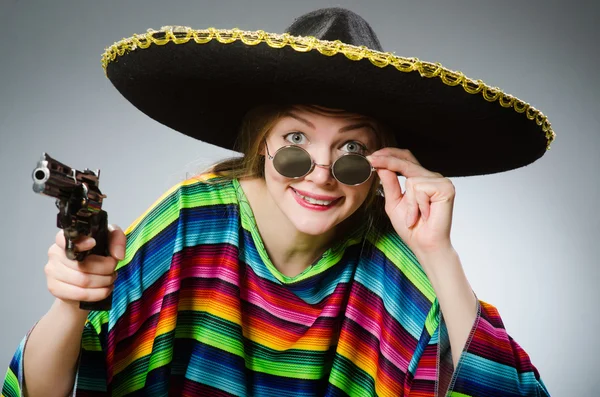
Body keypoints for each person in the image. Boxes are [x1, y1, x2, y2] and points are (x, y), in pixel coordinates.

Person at [2, 7, 553, 397]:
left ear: (382, 163)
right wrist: (70, 305)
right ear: (262, 142)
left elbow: (506, 390)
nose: (319, 175)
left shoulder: (392, 259)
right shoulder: (190, 221)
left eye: (352, 150)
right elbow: (42, 390)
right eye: (295, 142)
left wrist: (439, 254)